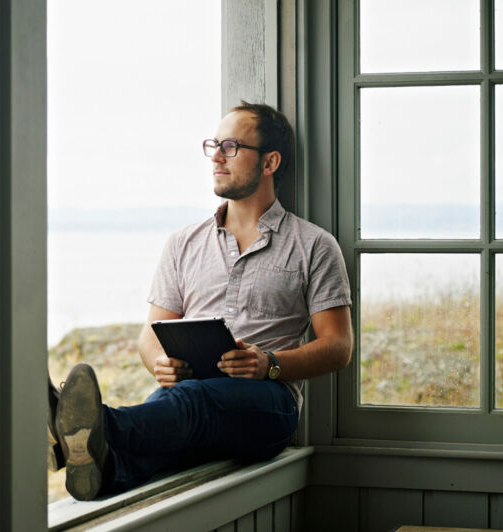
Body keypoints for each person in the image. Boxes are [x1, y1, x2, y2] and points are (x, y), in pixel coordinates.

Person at [47, 102, 354, 501]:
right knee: (174, 410)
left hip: (269, 405)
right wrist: (161, 363)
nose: (216, 157)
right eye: (213, 145)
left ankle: (92, 424)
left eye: (230, 145)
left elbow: (338, 347)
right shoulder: (184, 244)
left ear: (270, 162)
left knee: (189, 401)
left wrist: (269, 363)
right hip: (190, 398)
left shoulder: (313, 245)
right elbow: (150, 335)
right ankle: (103, 473)